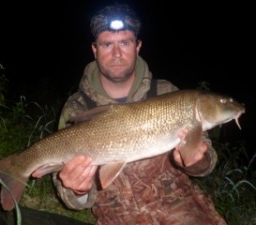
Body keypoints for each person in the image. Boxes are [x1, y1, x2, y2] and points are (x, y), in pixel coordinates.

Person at [53, 3, 227, 225]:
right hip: (116, 217)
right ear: (95, 50)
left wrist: (196, 162)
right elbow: (70, 197)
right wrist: (77, 189)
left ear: (137, 46)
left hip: (181, 209)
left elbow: (206, 161)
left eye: (125, 43)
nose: (116, 53)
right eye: (107, 44)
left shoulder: (167, 93)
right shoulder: (78, 107)